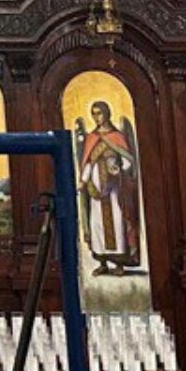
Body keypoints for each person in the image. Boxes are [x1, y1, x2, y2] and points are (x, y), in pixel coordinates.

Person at [78, 102, 141, 269]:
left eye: (99, 113)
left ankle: (119, 263)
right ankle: (102, 262)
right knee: (97, 223)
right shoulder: (91, 138)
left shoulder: (117, 136)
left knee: (117, 221)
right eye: (93, 113)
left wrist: (119, 168)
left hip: (114, 188)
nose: (96, 117)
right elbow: (88, 163)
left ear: (106, 113)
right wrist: (83, 180)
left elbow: (128, 159)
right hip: (95, 188)